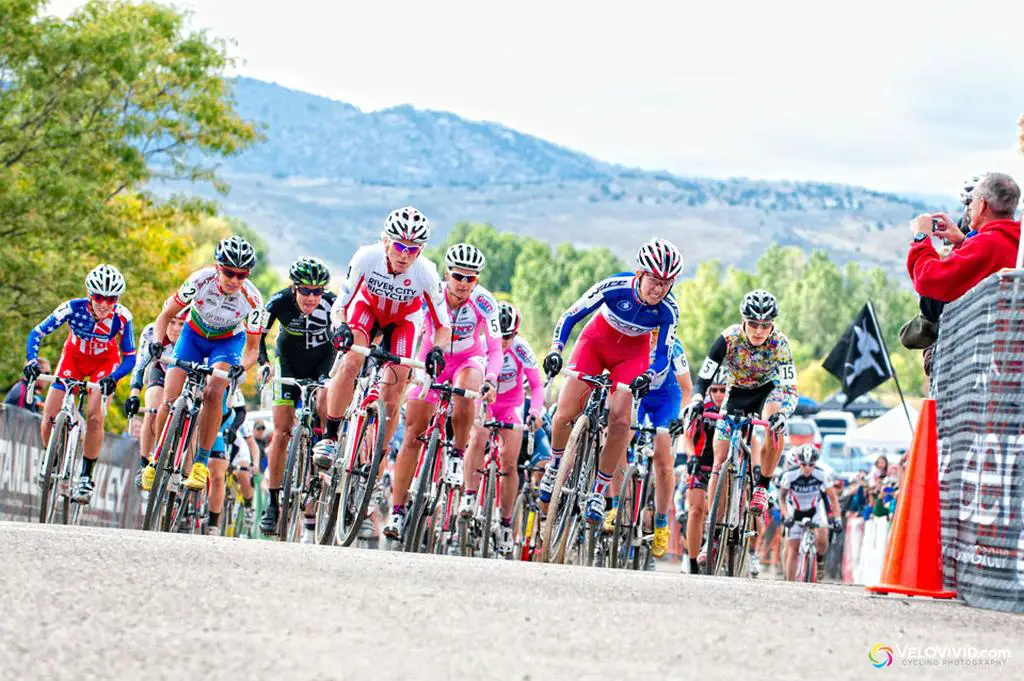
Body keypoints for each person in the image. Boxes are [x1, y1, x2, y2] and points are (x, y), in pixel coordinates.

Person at [540, 238, 682, 526]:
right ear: (640, 273)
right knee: (565, 413)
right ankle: (555, 468)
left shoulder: (669, 309)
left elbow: (664, 355)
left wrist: (648, 375)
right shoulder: (615, 286)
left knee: (620, 421)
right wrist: (556, 349)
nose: (659, 288)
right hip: (595, 342)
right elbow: (571, 316)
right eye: (654, 280)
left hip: (631, 356)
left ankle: (598, 491)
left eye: (666, 283)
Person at [312, 207, 451, 486]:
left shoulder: (426, 273)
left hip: (403, 322)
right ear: (385, 240)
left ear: (421, 250)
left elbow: (443, 326)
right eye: (399, 245)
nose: (404, 255)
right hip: (367, 312)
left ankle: (376, 460)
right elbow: (342, 303)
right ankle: (330, 435)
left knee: (394, 391)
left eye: (412, 250)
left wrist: (437, 349)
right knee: (351, 361)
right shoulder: (367, 257)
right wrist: (340, 325)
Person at [384, 242, 500, 541]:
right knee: (412, 434)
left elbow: (495, 348)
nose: (463, 284)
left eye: (470, 278)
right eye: (458, 276)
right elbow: (410, 328)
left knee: (467, 388)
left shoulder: (485, 303)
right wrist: (409, 367)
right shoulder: (429, 293)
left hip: (467, 360)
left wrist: (492, 379)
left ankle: (458, 455)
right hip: (430, 357)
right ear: (447, 273)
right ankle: (397, 511)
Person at [140, 236, 264, 492]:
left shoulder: (253, 299)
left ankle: (200, 462)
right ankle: (157, 457)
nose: (234, 280)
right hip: (193, 335)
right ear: (218, 267)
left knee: (213, 392)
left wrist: (242, 366)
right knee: (169, 397)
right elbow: (166, 314)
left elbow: (253, 349)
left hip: (227, 343)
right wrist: (157, 341)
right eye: (229, 272)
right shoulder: (200, 280)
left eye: (241, 275)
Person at [684, 289, 797, 566]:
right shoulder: (728, 338)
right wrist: (698, 399)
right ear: (744, 321)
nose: (759, 331)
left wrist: (783, 413)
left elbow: (790, 389)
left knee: (774, 424)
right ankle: (712, 533)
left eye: (765, 325)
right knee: (720, 457)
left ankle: (762, 485)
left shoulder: (780, 344)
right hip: (736, 393)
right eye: (754, 324)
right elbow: (704, 377)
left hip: (769, 392)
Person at [22, 265, 136, 504]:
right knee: (50, 415)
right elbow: (36, 333)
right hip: (73, 359)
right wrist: (32, 360)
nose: (104, 304)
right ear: (89, 294)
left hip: (104, 364)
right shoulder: (72, 308)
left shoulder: (123, 317)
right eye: (99, 297)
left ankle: (86, 476)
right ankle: (51, 457)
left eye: (111, 298)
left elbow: (131, 357)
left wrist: (113, 379)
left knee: (95, 417)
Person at [256, 257, 336, 536]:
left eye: (317, 292)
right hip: (288, 364)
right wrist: (263, 362)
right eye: (305, 291)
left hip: (323, 362)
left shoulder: (334, 304)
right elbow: (258, 336)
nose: (312, 298)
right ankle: (273, 504)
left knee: (325, 400)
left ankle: (321, 444)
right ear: (294, 288)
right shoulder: (278, 302)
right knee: (280, 433)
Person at [466, 301, 544, 555]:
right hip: (485, 401)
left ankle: (507, 523)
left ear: (516, 334)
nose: (502, 341)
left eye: (508, 337)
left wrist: (535, 412)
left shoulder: (522, 349)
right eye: (500, 335)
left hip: (511, 404)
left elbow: (536, 385)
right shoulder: (482, 343)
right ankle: (469, 494)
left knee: (509, 463)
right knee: (477, 438)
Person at [620, 332, 692, 559]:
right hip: (639, 397)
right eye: (649, 330)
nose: (651, 336)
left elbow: (687, 389)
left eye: (656, 333)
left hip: (667, 399)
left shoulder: (674, 347)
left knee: (663, 463)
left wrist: (680, 418)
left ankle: (661, 521)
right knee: (618, 440)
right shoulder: (630, 337)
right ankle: (618, 505)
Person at [908, 172, 1021, 303]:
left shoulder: (986, 244)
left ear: (982, 205)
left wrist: (921, 237)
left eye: (972, 201)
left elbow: (927, 280)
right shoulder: (1017, 240)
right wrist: (963, 242)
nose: (970, 207)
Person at [125, 302, 188, 487]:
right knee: (152, 408)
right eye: (172, 322)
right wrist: (134, 393)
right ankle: (145, 464)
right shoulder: (152, 332)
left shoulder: (195, 335)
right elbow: (140, 365)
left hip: (186, 373)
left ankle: (181, 467)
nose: (175, 328)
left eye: (181, 324)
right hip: (161, 369)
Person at [675, 366, 727, 574]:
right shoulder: (701, 407)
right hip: (700, 463)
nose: (718, 395)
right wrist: (691, 457)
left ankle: (718, 548)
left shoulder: (733, 408)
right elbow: (688, 436)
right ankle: (693, 562)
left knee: (716, 513)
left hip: (723, 468)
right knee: (695, 511)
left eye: (723, 390)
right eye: (714, 390)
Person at [778, 445, 843, 581]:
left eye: (811, 465)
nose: (807, 468)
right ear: (799, 462)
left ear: (815, 463)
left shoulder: (822, 475)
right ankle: (789, 584)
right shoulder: (789, 475)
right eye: (803, 464)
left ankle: (819, 560)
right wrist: (786, 515)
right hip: (795, 510)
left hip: (815, 509)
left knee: (823, 538)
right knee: (793, 548)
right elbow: (782, 498)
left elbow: (833, 499)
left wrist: (838, 519)